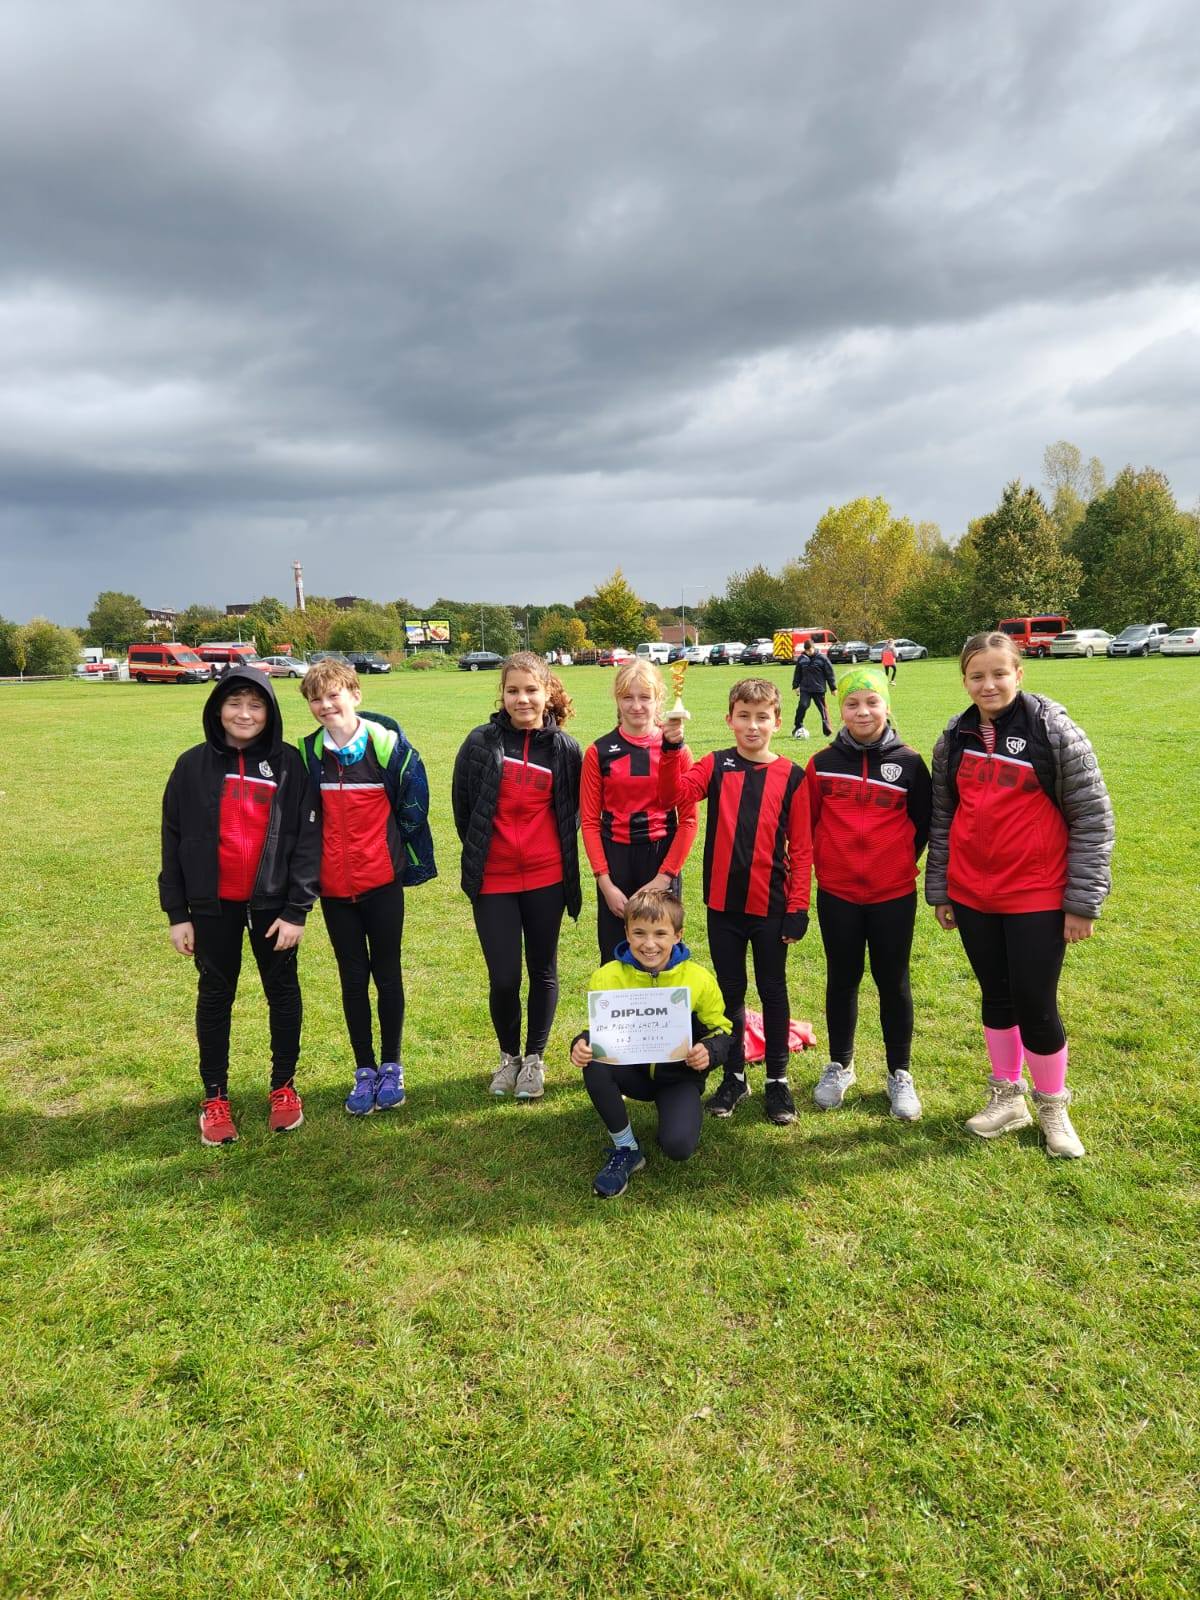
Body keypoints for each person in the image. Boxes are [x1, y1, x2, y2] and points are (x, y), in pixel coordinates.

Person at [926, 631, 1114, 1157]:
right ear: (964, 680)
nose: (988, 684)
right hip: (972, 895)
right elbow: (943, 819)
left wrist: (1082, 902)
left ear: (1018, 674)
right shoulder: (953, 738)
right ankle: (1007, 1097)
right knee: (997, 995)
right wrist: (942, 889)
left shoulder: (1052, 730)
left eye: (998, 673)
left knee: (1036, 1002)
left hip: (1037, 893)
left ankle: (1052, 1105)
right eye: (976, 676)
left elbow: (1093, 817)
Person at [159, 665, 319, 1145]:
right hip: (212, 907)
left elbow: (307, 841)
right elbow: (173, 840)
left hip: (274, 908)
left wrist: (296, 910)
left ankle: (284, 1087)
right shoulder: (192, 766)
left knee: (283, 993)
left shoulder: (289, 764)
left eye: (255, 705)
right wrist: (178, 914)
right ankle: (215, 1096)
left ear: (269, 712)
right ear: (217, 710)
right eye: (234, 703)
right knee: (215, 996)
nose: (244, 714)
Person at [660, 677, 812, 1125]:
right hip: (723, 906)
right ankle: (735, 1075)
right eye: (743, 716)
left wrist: (798, 906)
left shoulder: (793, 777)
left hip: (771, 907)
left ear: (777, 722)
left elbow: (803, 849)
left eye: (762, 717)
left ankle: (777, 1081)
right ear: (729, 720)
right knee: (730, 993)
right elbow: (673, 796)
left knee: (773, 989)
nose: (752, 726)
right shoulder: (716, 764)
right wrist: (672, 749)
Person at [300, 659, 436, 1116]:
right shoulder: (308, 755)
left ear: (355, 695)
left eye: (333, 695)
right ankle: (364, 1069)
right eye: (316, 699)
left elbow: (413, 807)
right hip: (334, 891)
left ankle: (392, 1066)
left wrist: (394, 856)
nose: (325, 705)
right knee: (353, 978)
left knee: (387, 973)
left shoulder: (388, 747)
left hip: (381, 883)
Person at [452, 651, 583, 1100]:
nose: (522, 699)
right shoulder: (479, 743)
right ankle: (508, 1057)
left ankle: (533, 1060)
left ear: (548, 693)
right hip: (494, 880)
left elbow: (572, 813)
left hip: (547, 878)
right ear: (502, 694)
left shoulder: (565, 749)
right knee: (505, 977)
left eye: (531, 690)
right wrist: (488, 854)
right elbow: (465, 810)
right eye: (513, 690)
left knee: (543, 969)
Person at [805, 665, 931, 1119]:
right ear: (840, 709)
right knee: (842, 978)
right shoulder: (821, 763)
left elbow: (923, 824)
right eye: (853, 703)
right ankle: (840, 1065)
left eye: (872, 702)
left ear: (886, 706)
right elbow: (808, 822)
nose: (863, 711)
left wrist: (894, 862)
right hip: (837, 892)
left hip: (892, 894)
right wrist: (831, 862)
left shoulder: (910, 762)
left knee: (893, 981)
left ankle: (900, 1073)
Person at [570, 889, 732, 1197]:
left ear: (678, 935)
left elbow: (723, 1030)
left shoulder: (698, 979)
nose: (649, 944)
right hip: (631, 1072)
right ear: (626, 933)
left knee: (678, 1147)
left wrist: (709, 1051)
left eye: (660, 934)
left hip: (678, 1077)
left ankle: (674, 1114)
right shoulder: (607, 976)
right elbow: (596, 1032)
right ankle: (626, 1148)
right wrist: (581, 1043)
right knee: (594, 1061)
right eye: (639, 933)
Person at [580, 658, 699, 963]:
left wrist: (663, 879)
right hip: (616, 860)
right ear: (617, 700)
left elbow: (688, 821)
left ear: (659, 699)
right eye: (627, 697)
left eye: (645, 697)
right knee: (615, 955)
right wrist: (605, 883)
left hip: (660, 858)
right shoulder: (598, 752)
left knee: (660, 953)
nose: (636, 706)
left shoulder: (677, 750)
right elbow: (590, 822)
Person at [791, 639, 836, 738]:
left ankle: (827, 729)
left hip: (818, 689)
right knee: (803, 705)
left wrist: (833, 688)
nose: (808, 652)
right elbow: (797, 673)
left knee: (822, 709)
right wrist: (795, 686)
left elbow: (830, 673)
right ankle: (798, 726)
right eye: (806, 651)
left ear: (813, 648)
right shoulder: (802, 659)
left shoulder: (822, 658)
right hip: (805, 689)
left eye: (810, 650)